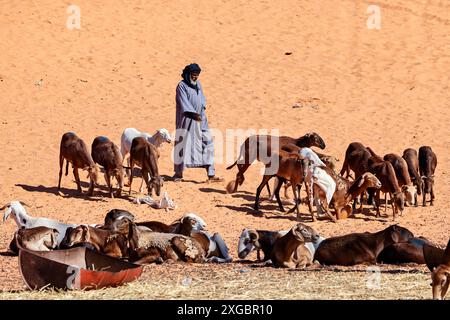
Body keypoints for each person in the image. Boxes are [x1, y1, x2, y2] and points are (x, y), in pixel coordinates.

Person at [173, 63, 223, 182]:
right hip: (188, 119)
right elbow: (183, 102)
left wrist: (202, 110)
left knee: (208, 143)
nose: (195, 78)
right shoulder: (181, 86)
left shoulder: (198, 84)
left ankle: (211, 174)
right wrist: (194, 115)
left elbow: (202, 99)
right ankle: (178, 174)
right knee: (183, 145)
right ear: (187, 74)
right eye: (193, 75)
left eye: (197, 75)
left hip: (202, 120)